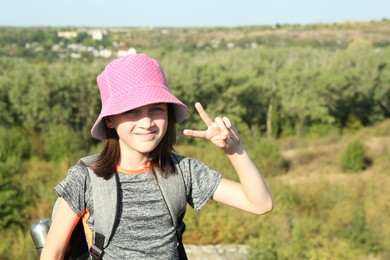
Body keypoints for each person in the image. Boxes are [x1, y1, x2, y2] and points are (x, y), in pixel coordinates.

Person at [40, 54, 273, 260]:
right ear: (109, 119)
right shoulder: (85, 177)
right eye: (132, 111)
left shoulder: (183, 170)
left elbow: (260, 203)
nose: (147, 122)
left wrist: (234, 150)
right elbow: (54, 253)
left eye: (156, 109)